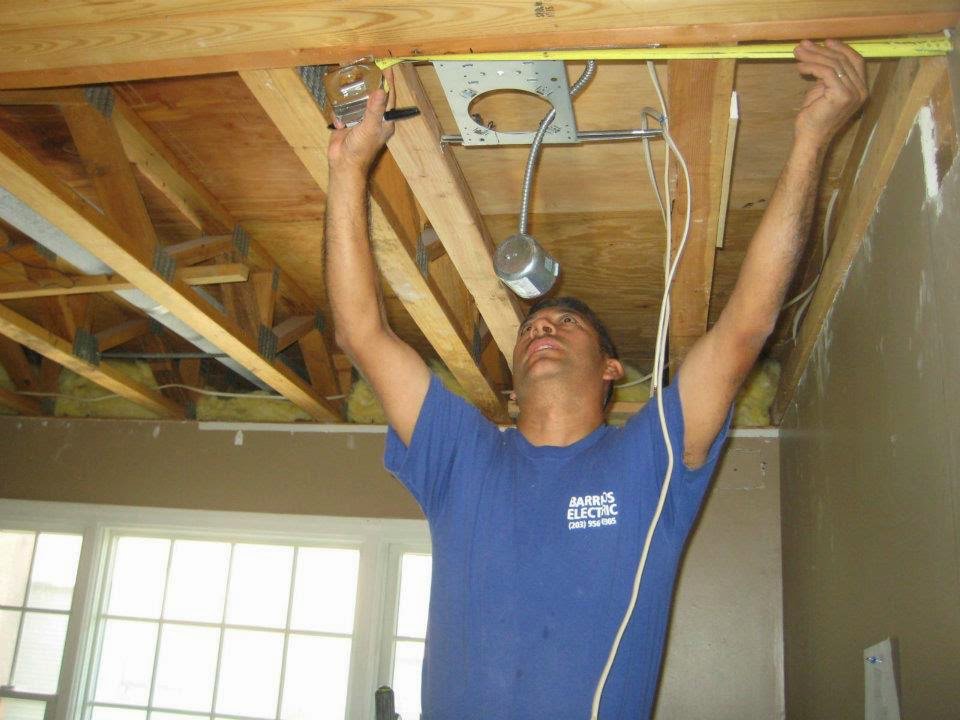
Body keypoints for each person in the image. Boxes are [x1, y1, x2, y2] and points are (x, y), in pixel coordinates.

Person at [325, 40, 867, 720]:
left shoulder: (650, 459)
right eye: (531, 326)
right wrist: (349, 170)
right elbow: (361, 336)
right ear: (515, 381)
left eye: (568, 322)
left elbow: (744, 330)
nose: (541, 328)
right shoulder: (459, 453)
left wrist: (812, 138)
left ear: (614, 370)